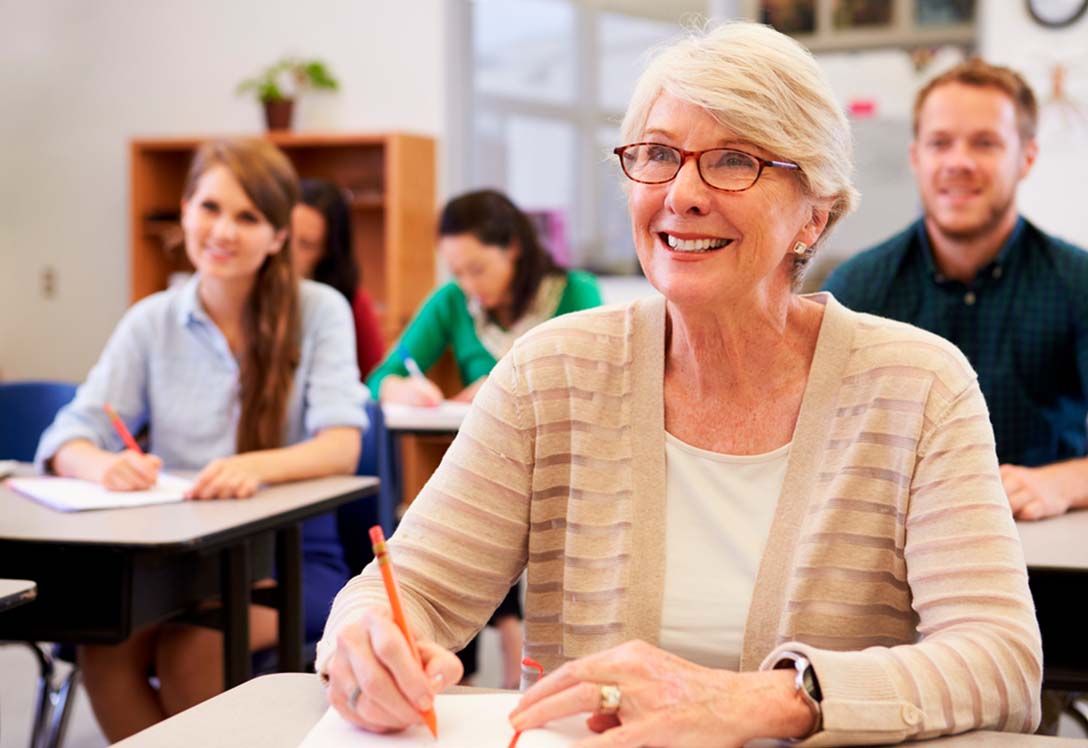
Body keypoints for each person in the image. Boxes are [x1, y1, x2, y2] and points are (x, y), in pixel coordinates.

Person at [317, 22, 1041, 746]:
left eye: (733, 161)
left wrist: (768, 701)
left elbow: (1001, 662)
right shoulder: (552, 371)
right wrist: (365, 638)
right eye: (659, 155)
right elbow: (405, 589)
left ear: (813, 215)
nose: (683, 193)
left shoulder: (920, 386)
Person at [35, 138, 367, 742]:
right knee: (104, 653)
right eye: (210, 207)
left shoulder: (320, 311)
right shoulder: (151, 320)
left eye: (249, 217)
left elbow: (342, 444)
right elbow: (69, 435)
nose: (224, 231)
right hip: (171, 558)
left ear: (277, 236)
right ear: (184, 210)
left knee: (190, 654)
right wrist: (99, 467)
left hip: (283, 555)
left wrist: (255, 467)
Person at [824, 59, 1088, 523]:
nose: (958, 162)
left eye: (985, 143)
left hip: (1044, 548)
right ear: (916, 158)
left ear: (1027, 157)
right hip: (895, 557)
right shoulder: (856, 289)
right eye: (940, 143)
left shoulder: (1078, 283)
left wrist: (1062, 483)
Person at [366, 188, 603, 406]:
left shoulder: (576, 291)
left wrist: (504, 387)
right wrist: (401, 390)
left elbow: (599, 378)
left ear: (513, 247)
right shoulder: (452, 300)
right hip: (482, 448)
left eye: (478, 269)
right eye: (457, 273)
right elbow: (380, 379)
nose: (469, 285)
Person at [292, 177, 386, 378]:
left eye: (306, 244)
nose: (289, 252)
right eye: (287, 235)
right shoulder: (253, 289)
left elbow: (374, 377)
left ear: (328, 251)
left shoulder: (350, 302)